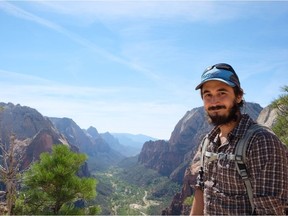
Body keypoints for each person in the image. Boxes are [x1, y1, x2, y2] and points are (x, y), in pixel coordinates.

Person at [190, 63, 288, 215]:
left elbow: (271, 211)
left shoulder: (261, 141)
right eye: (207, 94)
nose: (214, 102)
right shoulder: (208, 142)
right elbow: (201, 189)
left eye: (222, 93)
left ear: (238, 96)